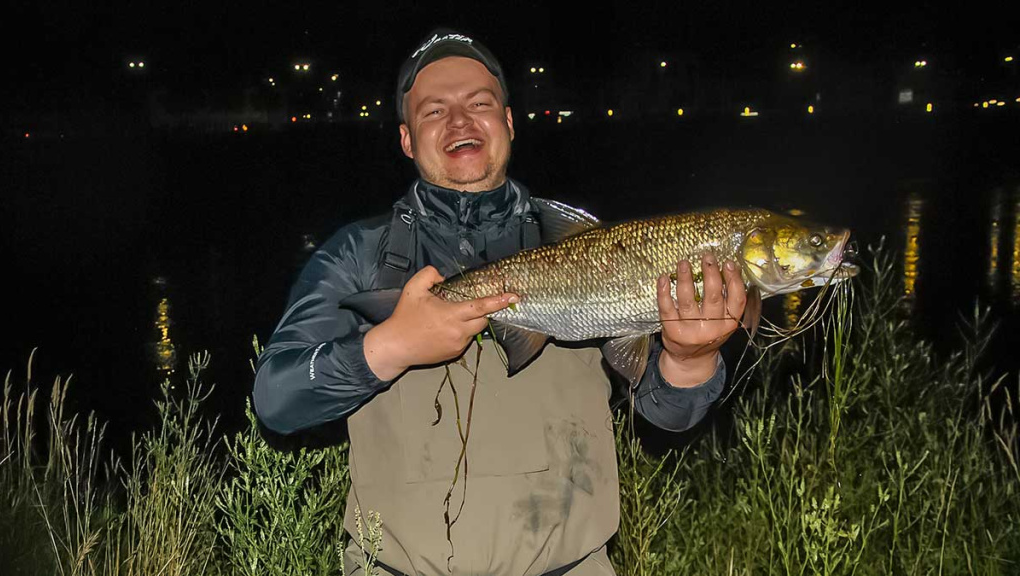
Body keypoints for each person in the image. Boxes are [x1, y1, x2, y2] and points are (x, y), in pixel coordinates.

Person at [253, 29, 747, 576]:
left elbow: (667, 417)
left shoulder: (589, 247)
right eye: (434, 111)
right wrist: (387, 346)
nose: (460, 122)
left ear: (508, 124)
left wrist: (690, 360)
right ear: (406, 140)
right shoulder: (359, 255)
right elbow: (277, 397)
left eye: (480, 103)